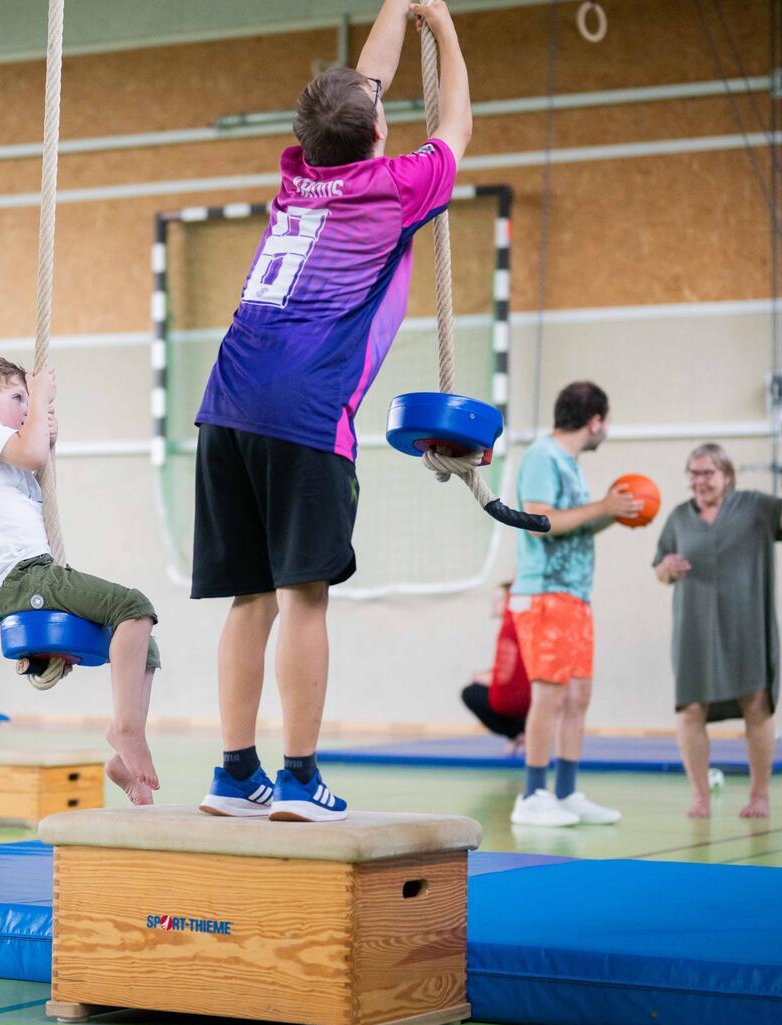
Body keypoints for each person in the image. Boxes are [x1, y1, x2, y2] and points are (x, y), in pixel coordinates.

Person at [190, 0, 471, 823]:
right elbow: (454, 123)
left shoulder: (298, 176)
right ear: (379, 132)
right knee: (304, 596)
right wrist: (442, 26)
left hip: (227, 399)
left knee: (252, 598)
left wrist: (395, 5)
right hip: (306, 412)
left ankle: (234, 774)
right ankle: (302, 777)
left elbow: (360, 89)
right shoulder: (395, 186)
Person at [0, 357, 163, 805]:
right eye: (16, 397)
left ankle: (122, 748)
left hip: (35, 572)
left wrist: (41, 428)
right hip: (19, 579)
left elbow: (34, 458)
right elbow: (32, 452)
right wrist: (40, 400)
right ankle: (128, 729)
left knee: (145, 649)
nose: (25, 406)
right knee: (132, 607)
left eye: (26, 398)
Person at [652, 437, 782, 819]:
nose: (699, 480)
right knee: (690, 709)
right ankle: (700, 797)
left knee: (756, 703)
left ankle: (759, 796)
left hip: (746, 623)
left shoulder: (754, 507)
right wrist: (666, 570)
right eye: (693, 473)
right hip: (694, 626)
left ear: (726, 476)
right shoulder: (678, 517)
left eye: (707, 473)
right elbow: (659, 569)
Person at [507, 381, 639, 828]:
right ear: (595, 421)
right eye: (607, 423)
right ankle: (531, 795)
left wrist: (611, 515)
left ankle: (564, 791)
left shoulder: (572, 465)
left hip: (576, 594)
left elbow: (573, 525)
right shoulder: (542, 457)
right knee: (550, 693)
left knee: (578, 694)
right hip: (544, 591)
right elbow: (541, 523)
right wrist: (602, 505)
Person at [461, 582, 526, 753]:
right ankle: (518, 734)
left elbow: (515, 673)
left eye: (499, 599)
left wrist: (485, 678)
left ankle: (520, 733)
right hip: (512, 693)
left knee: (471, 693)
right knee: (475, 688)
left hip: (521, 694)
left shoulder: (515, 627)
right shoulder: (506, 628)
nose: (494, 603)